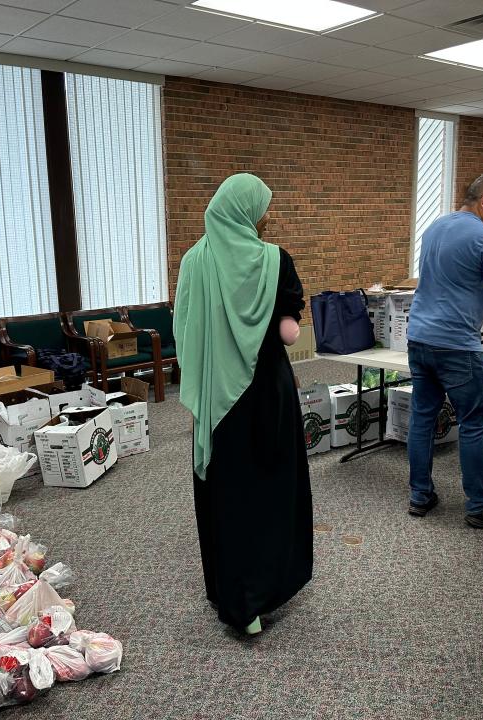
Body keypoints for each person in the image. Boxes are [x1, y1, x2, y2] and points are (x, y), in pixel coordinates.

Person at [173, 173, 313, 635]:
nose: (267, 215)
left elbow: (184, 330)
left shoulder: (194, 260)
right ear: (251, 211)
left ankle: (231, 596)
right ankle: (264, 589)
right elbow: (289, 333)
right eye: (264, 207)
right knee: (269, 487)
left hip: (217, 398)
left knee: (227, 491)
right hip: (266, 393)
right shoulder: (275, 260)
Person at [405, 173, 483, 529]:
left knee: (423, 418)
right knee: (474, 423)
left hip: (420, 338)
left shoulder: (434, 228)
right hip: (457, 345)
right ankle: (481, 506)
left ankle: (420, 495)